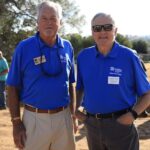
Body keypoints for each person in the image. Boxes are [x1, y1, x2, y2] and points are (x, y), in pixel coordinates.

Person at [7, 1, 76, 150]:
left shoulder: (68, 47)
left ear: (60, 22)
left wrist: (73, 116)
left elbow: (70, 84)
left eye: (53, 18)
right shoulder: (24, 47)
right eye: (44, 18)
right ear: (37, 22)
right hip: (34, 119)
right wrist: (16, 122)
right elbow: (12, 86)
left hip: (63, 119)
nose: (48, 22)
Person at [75, 12, 150, 150]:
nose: (102, 32)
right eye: (97, 28)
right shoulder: (84, 57)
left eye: (107, 27)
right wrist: (76, 110)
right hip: (91, 126)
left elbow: (147, 94)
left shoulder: (129, 57)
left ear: (115, 30)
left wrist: (132, 115)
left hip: (121, 126)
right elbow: (79, 87)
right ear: (92, 32)